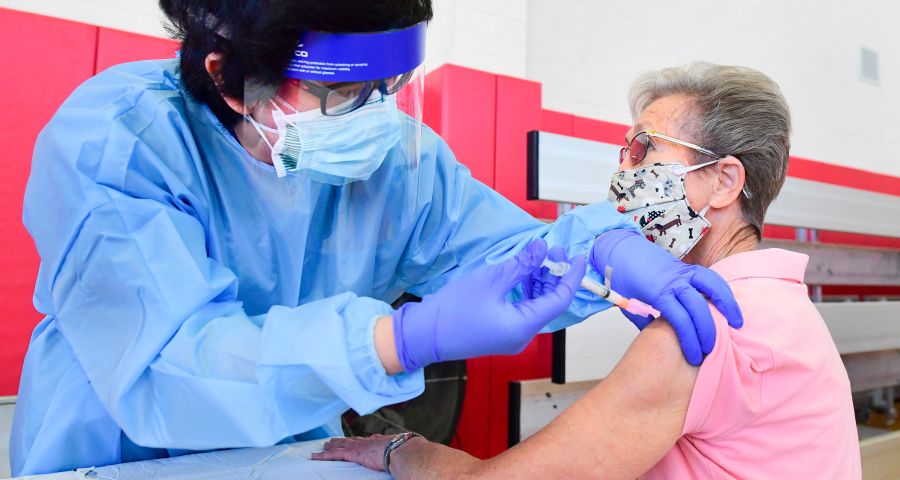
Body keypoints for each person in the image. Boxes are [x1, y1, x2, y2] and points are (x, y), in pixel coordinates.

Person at [10, 1, 743, 475]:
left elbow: (502, 251)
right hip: (120, 449)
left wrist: (599, 248)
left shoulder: (392, 160)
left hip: (289, 442)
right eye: (343, 94)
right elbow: (170, 364)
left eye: (394, 85)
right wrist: (398, 339)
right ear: (230, 79)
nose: (378, 115)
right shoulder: (118, 145)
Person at [316, 63, 861, 479]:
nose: (623, 167)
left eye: (643, 148)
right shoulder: (783, 309)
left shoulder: (701, 330)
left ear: (723, 181)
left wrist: (402, 449)